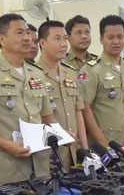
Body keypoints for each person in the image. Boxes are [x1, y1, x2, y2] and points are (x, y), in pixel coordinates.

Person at [0, 14, 56, 186]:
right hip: (3, 169)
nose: (27, 38)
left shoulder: (36, 72)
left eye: (28, 32)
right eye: (19, 33)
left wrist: (62, 135)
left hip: (39, 167)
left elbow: (46, 116)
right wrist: (6, 145)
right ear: (2, 40)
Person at [80, 15, 124, 156]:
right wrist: (103, 142)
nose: (116, 41)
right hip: (107, 147)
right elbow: (85, 108)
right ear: (101, 39)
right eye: (110, 37)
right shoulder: (92, 70)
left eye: (120, 37)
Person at [38, 20, 89, 167]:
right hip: (49, 153)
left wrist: (85, 149)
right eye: (57, 39)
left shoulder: (71, 73)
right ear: (43, 43)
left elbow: (78, 112)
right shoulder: (34, 74)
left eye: (65, 39)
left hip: (74, 151)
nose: (63, 44)